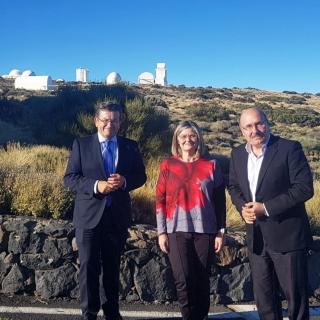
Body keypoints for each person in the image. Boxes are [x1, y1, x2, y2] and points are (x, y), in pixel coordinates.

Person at [228, 108, 314, 320]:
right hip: (256, 238)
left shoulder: (288, 148)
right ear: (241, 131)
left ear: (267, 123)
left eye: (259, 124)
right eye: (248, 126)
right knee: (264, 300)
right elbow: (233, 186)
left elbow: (304, 188)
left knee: (296, 299)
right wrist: (243, 207)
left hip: (288, 236)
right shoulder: (238, 154)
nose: (254, 130)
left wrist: (265, 208)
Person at [64, 101, 146, 320]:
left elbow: (141, 176)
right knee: (88, 267)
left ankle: (112, 313)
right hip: (88, 217)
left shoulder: (130, 146)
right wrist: (96, 186)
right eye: (105, 120)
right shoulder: (81, 144)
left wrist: (125, 180)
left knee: (111, 268)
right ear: (96, 121)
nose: (110, 124)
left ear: (120, 122)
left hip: (116, 218)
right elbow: (70, 178)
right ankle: (89, 314)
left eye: (115, 120)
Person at [156, 120, 226, 320]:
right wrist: (161, 232)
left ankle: (201, 316)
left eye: (192, 135)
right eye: (183, 136)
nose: (188, 139)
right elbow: (159, 199)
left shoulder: (211, 165)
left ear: (198, 139)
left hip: (205, 230)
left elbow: (220, 201)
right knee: (183, 279)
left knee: (202, 278)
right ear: (177, 140)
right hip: (176, 229)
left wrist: (221, 232)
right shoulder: (168, 165)